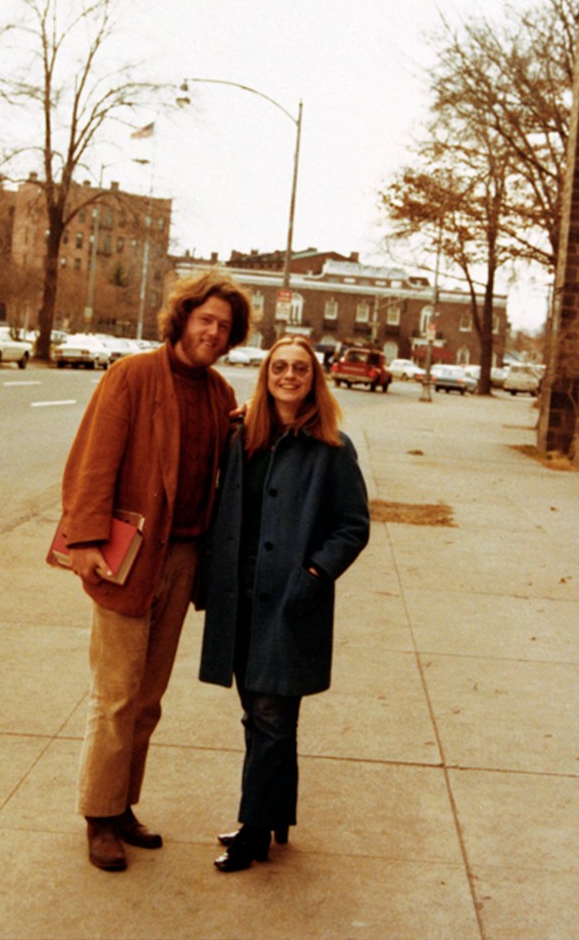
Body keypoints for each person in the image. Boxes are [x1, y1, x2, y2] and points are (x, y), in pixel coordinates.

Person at [62, 271, 251, 872]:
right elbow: (95, 460)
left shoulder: (221, 394)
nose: (214, 333)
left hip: (184, 557)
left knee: (148, 697)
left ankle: (122, 806)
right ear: (183, 318)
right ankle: (98, 816)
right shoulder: (134, 375)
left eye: (224, 327)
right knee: (116, 695)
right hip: (127, 554)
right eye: (206, 320)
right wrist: (86, 539)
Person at [198, 334, 370, 872]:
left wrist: (314, 573)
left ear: (313, 379)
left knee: (272, 717)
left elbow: (353, 526)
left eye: (300, 368)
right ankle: (275, 815)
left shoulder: (332, 448)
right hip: (240, 598)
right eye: (279, 367)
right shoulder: (242, 436)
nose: (289, 376)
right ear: (266, 375)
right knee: (259, 717)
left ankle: (253, 833)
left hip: (291, 603)